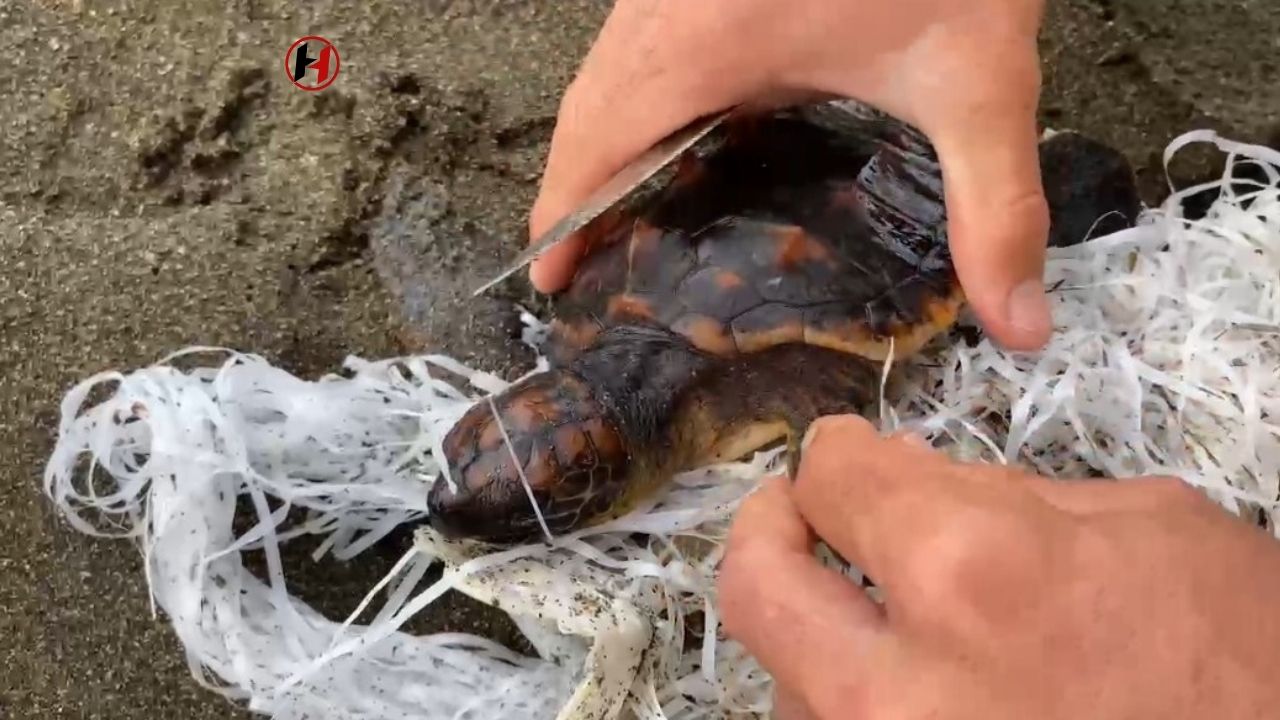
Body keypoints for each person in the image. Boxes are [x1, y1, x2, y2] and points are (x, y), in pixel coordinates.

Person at [526, 2, 1280, 718]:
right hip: (780, 151)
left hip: (863, 186)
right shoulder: (579, 329)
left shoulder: (758, 369)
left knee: (1083, 191)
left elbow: (841, 429)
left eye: (561, 499)